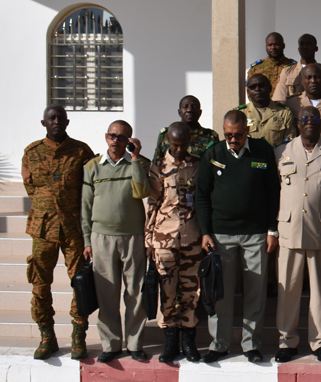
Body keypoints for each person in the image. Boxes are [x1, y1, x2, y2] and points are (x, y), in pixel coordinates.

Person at [196, 110, 280, 363]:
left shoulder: (262, 151)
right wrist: (205, 231)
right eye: (228, 135)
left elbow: (273, 192)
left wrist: (271, 230)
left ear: (247, 131)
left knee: (255, 292)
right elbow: (202, 195)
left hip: (256, 234)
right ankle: (219, 344)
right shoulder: (213, 154)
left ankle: (251, 344)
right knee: (221, 293)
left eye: (237, 135)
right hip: (221, 236)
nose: (232, 140)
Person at [22, 106, 95, 360]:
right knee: (40, 284)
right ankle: (47, 336)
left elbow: (89, 188)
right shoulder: (31, 153)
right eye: (51, 118)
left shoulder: (81, 151)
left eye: (60, 117)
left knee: (80, 283)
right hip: (43, 229)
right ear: (44, 122)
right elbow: (31, 187)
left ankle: (78, 335)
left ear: (67, 121)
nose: (56, 121)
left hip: (73, 227)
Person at [274, 106, 321, 364]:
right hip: (289, 231)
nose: (310, 122)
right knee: (288, 291)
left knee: (320, 292)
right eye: (305, 119)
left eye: (314, 118)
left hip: (320, 230)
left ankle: (320, 342)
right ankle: (286, 341)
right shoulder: (282, 152)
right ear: (298, 124)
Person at [81, 120, 150, 363]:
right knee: (107, 293)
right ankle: (110, 345)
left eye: (122, 137)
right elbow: (85, 205)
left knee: (135, 293)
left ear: (129, 141)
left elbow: (142, 192)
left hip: (133, 236)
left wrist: (136, 158)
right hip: (101, 238)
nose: (115, 141)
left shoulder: (139, 163)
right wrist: (86, 239)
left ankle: (134, 344)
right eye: (112, 135)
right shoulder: (92, 167)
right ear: (106, 137)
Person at [145, 122, 202, 363]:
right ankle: (170, 342)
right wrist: (148, 239)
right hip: (164, 238)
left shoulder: (198, 164)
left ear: (189, 141)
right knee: (167, 291)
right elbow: (153, 203)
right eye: (175, 145)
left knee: (191, 291)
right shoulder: (158, 167)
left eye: (183, 144)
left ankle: (189, 341)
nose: (179, 149)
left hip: (192, 237)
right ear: (168, 141)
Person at [285, 63, 321, 141]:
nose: (313, 81)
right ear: (302, 81)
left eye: (317, 77)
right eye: (309, 78)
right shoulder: (292, 103)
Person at [273, 34, 321, 101]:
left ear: (316, 48)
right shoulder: (287, 72)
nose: (305, 47)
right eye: (302, 44)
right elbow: (279, 99)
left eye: (309, 44)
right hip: (294, 107)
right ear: (298, 49)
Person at [236, 74, 296, 147]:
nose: (257, 89)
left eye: (261, 85)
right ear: (248, 91)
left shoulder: (284, 113)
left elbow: (290, 142)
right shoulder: (240, 113)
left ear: (270, 88)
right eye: (252, 87)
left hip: (277, 154)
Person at [153, 95, 219, 161]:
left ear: (200, 112)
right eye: (185, 107)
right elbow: (157, 161)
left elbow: (216, 162)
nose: (189, 110)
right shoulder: (166, 134)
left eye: (194, 107)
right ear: (179, 112)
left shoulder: (210, 136)